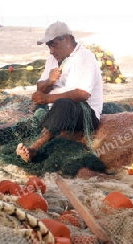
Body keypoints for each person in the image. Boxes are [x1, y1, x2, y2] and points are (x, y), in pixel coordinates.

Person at [16, 21, 103, 163]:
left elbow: (82, 94)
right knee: (32, 113)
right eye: (48, 46)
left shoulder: (84, 57)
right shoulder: (52, 59)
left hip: (85, 113)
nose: (51, 50)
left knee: (63, 103)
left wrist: (47, 99)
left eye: (54, 44)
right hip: (56, 110)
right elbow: (40, 89)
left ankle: (34, 149)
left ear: (67, 39)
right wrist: (49, 81)